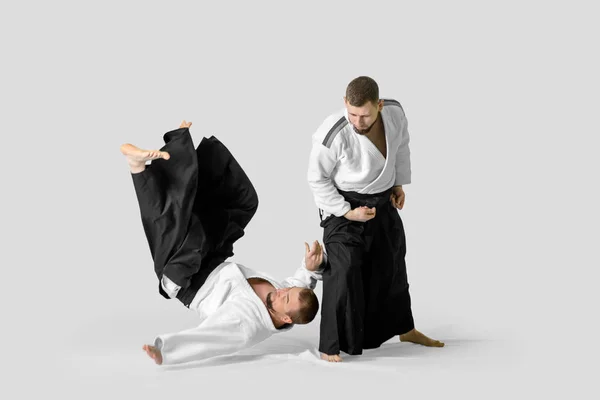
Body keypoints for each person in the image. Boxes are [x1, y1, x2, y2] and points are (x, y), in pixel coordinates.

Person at [121, 121, 325, 365]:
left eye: (286, 298)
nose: (281, 291)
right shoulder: (282, 296)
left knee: (178, 225)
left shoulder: (247, 325)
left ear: (287, 319)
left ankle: (139, 167)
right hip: (212, 258)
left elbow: (210, 340)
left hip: (183, 277)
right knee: (242, 203)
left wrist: (165, 351)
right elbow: (298, 284)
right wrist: (310, 267)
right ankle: (176, 153)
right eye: (286, 291)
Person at [307, 76, 444, 362]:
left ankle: (405, 329)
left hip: (382, 201)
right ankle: (330, 344)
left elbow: (401, 146)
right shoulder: (332, 133)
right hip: (342, 207)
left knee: (392, 265)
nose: (358, 121)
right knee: (343, 270)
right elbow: (316, 179)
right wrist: (347, 211)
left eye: (365, 115)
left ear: (379, 105)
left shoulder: (394, 113)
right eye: (352, 113)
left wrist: (397, 184)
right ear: (345, 104)